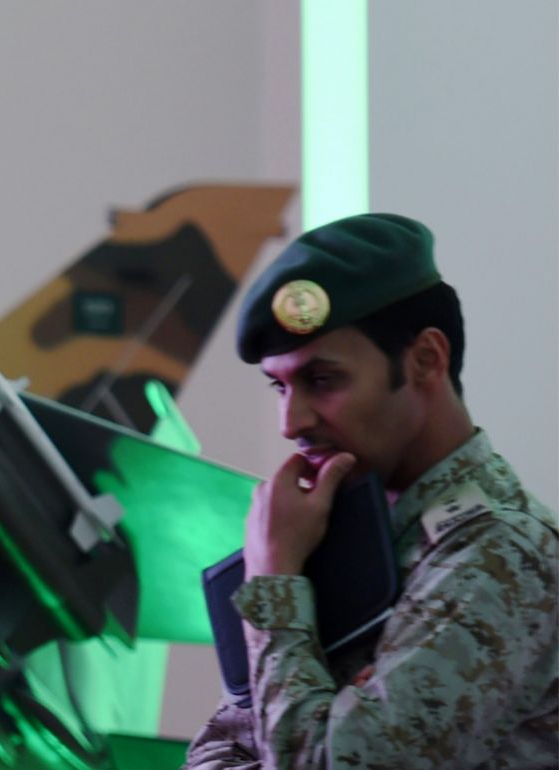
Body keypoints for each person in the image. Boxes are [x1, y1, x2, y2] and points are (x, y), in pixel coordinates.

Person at [184, 213, 558, 769]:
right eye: (279, 386)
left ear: (426, 360)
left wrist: (275, 585)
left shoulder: (501, 554)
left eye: (322, 380)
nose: (291, 422)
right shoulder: (338, 537)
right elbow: (214, 753)